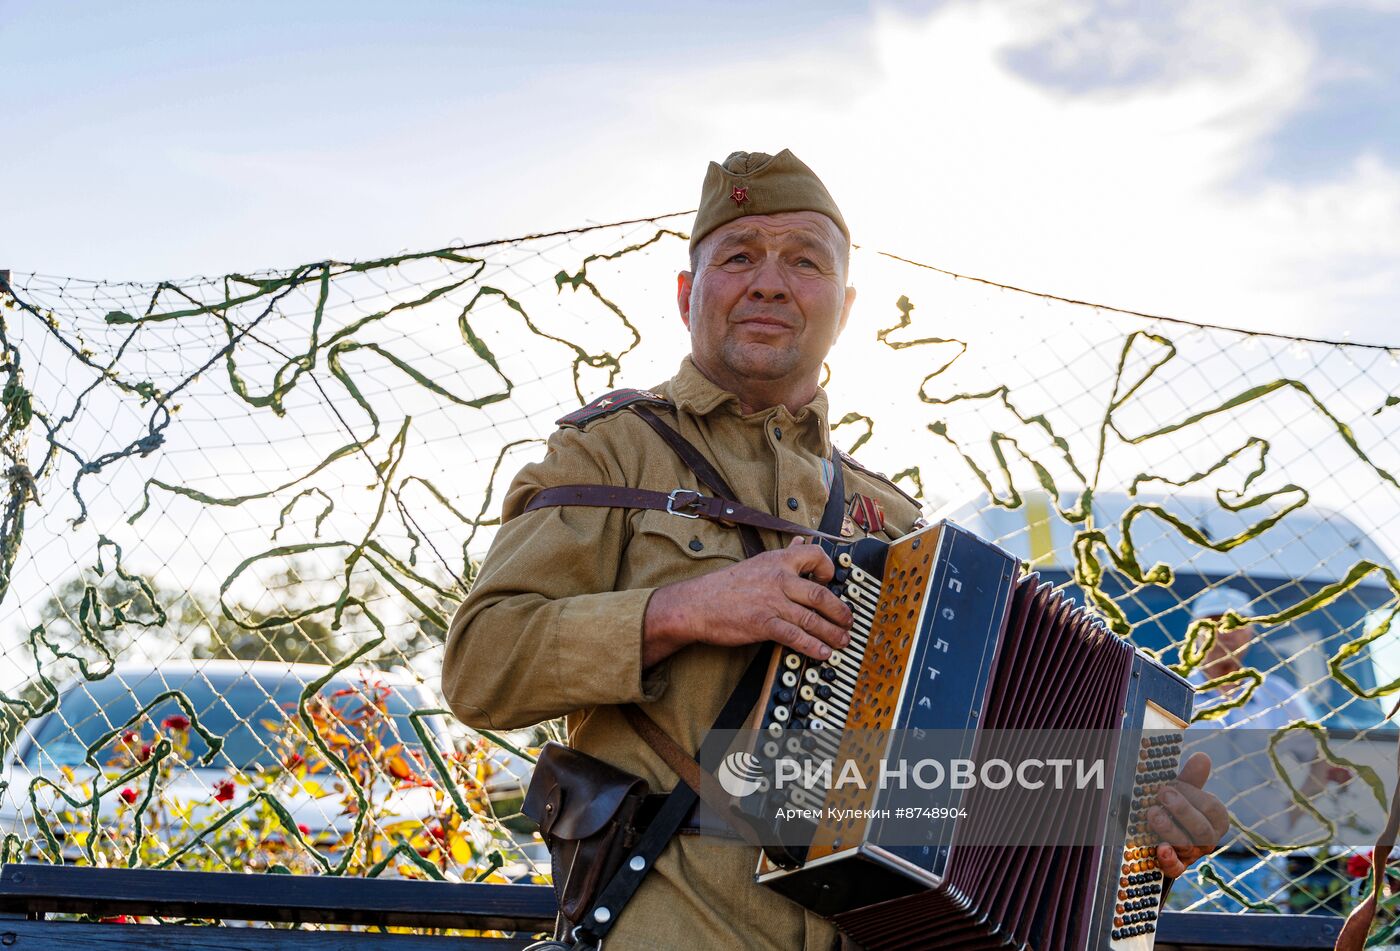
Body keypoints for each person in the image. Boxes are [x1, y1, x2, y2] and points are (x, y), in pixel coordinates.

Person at [440, 149, 1228, 950]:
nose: (771, 282)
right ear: (687, 295)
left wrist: (1125, 837)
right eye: (739, 255)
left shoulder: (896, 522)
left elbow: (954, 793)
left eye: (805, 261)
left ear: (845, 307)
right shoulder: (608, 454)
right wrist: (682, 610)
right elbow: (479, 665)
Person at [1174, 585, 1349, 913]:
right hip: (1187, 861)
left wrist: (1287, 820)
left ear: (1250, 634)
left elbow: (1321, 760)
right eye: (1213, 623)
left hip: (1263, 861)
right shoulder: (1174, 693)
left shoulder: (1280, 698)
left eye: (1235, 625)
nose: (1225, 634)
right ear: (1195, 633)